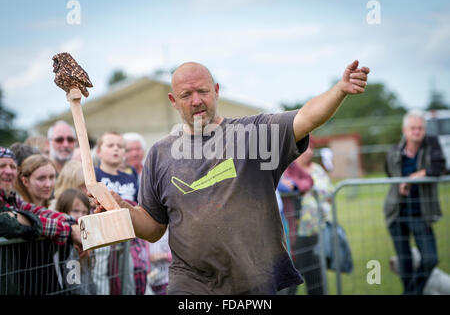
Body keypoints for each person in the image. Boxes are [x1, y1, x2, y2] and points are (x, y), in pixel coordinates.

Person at [92, 60, 370, 294]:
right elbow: (153, 228)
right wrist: (123, 210)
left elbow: (306, 118)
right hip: (189, 284)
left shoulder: (255, 135)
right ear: (173, 101)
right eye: (186, 95)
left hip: (252, 280)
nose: (196, 101)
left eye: (202, 91)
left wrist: (339, 91)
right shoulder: (159, 154)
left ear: (215, 91)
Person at [384, 110, 446, 295]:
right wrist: (401, 184)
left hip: (421, 212)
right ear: (404, 130)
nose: (417, 131)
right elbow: (389, 173)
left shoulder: (432, 145)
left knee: (430, 259)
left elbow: (438, 167)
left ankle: (411, 292)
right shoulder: (394, 151)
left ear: (424, 130)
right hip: (396, 212)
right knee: (405, 263)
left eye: (420, 128)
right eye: (413, 128)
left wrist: (411, 178)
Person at [95, 131, 148, 295]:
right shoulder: (95, 175)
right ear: (98, 151)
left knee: (129, 274)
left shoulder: (130, 177)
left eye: (120, 146)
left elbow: (138, 203)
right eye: (110, 146)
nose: (116, 149)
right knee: (101, 275)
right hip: (103, 235)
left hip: (127, 235)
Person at [286, 139, 334, 295]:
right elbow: (290, 188)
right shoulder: (288, 170)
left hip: (315, 231)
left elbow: (329, 193)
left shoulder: (317, 170)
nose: (309, 152)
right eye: (305, 149)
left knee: (315, 276)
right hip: (295, 235)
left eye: (311, 148)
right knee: (291, 278)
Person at [55, 188, 96, 294]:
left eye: (84, 212)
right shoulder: (67, 245)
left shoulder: (85, 239)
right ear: (63, 212)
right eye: (75, 211)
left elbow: (89, 278)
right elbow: (73, 285)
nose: (80, 216)